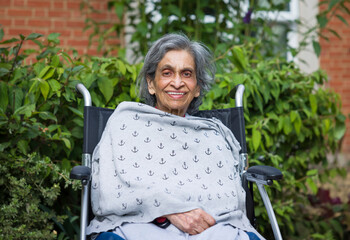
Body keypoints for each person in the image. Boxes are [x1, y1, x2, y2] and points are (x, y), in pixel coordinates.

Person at [87, 33, 264, 240]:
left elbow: (229, 197)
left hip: (211, 231)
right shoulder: (125, 123)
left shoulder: (213, 134)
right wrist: (168, 210)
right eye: (167, 73)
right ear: (151, 83)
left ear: (197, 87)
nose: (177, 82)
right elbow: (109, 191)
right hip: (137, 227)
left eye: (187, 74)